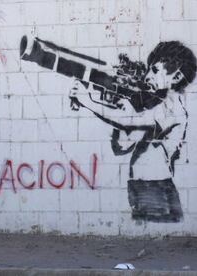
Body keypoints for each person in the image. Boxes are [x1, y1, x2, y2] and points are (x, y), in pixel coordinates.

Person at [69, 41, 197, 223]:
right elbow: (122, 145)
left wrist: (87, 100)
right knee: (147, 236)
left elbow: (129, 122)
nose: (147, 76)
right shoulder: (156, 104)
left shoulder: (173, 109)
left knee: (154, 238)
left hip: (156, 187)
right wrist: (105, 100)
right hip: (141, 185)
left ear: (176, 77)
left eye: (154, 70)